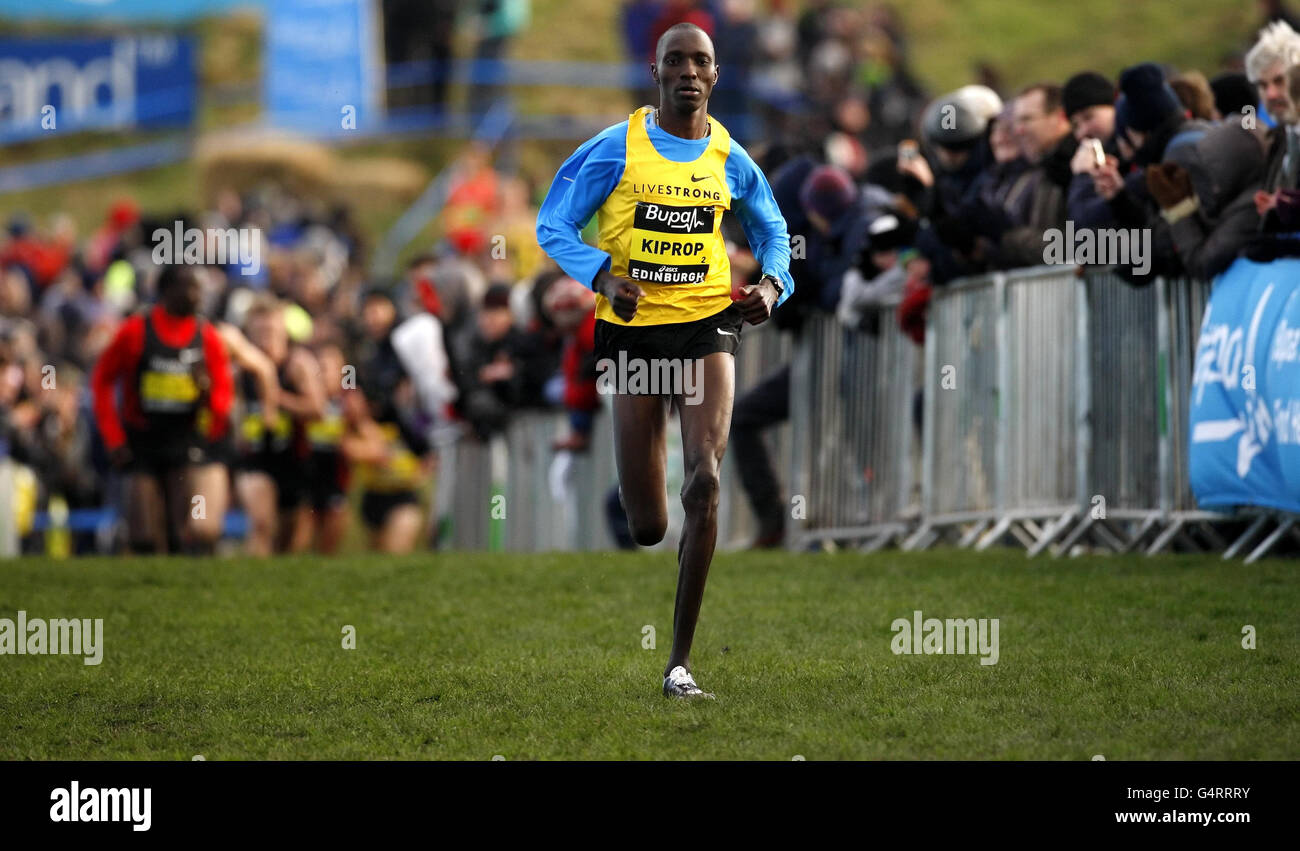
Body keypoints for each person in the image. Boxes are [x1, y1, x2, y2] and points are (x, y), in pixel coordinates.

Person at [536, 22, 793, 699]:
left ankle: (679, 662)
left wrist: (771, 284)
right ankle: (656, 535)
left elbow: (773, 229)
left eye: (700, 61)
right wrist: (599, 274)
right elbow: (552, 222)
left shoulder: (731, 157)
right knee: (650, 522)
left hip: (707, 324)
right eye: (674, 60)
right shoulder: (614, 147)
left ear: (715, 74)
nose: (688, 71)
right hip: (631, 333)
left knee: (705, 481)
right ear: (655, 71)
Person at [90, 264, 233, 554]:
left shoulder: (207, 337)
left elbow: (222, 393)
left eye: (198, 288)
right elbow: (102, 382)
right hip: (142, 441)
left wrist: (208, 416)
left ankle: (185, 588)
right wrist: (114, 438)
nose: (196, 295)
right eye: (190, 287)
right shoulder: (134, 332)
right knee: (143, 533)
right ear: (166, 291)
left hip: (186, 441)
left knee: (188, 528)